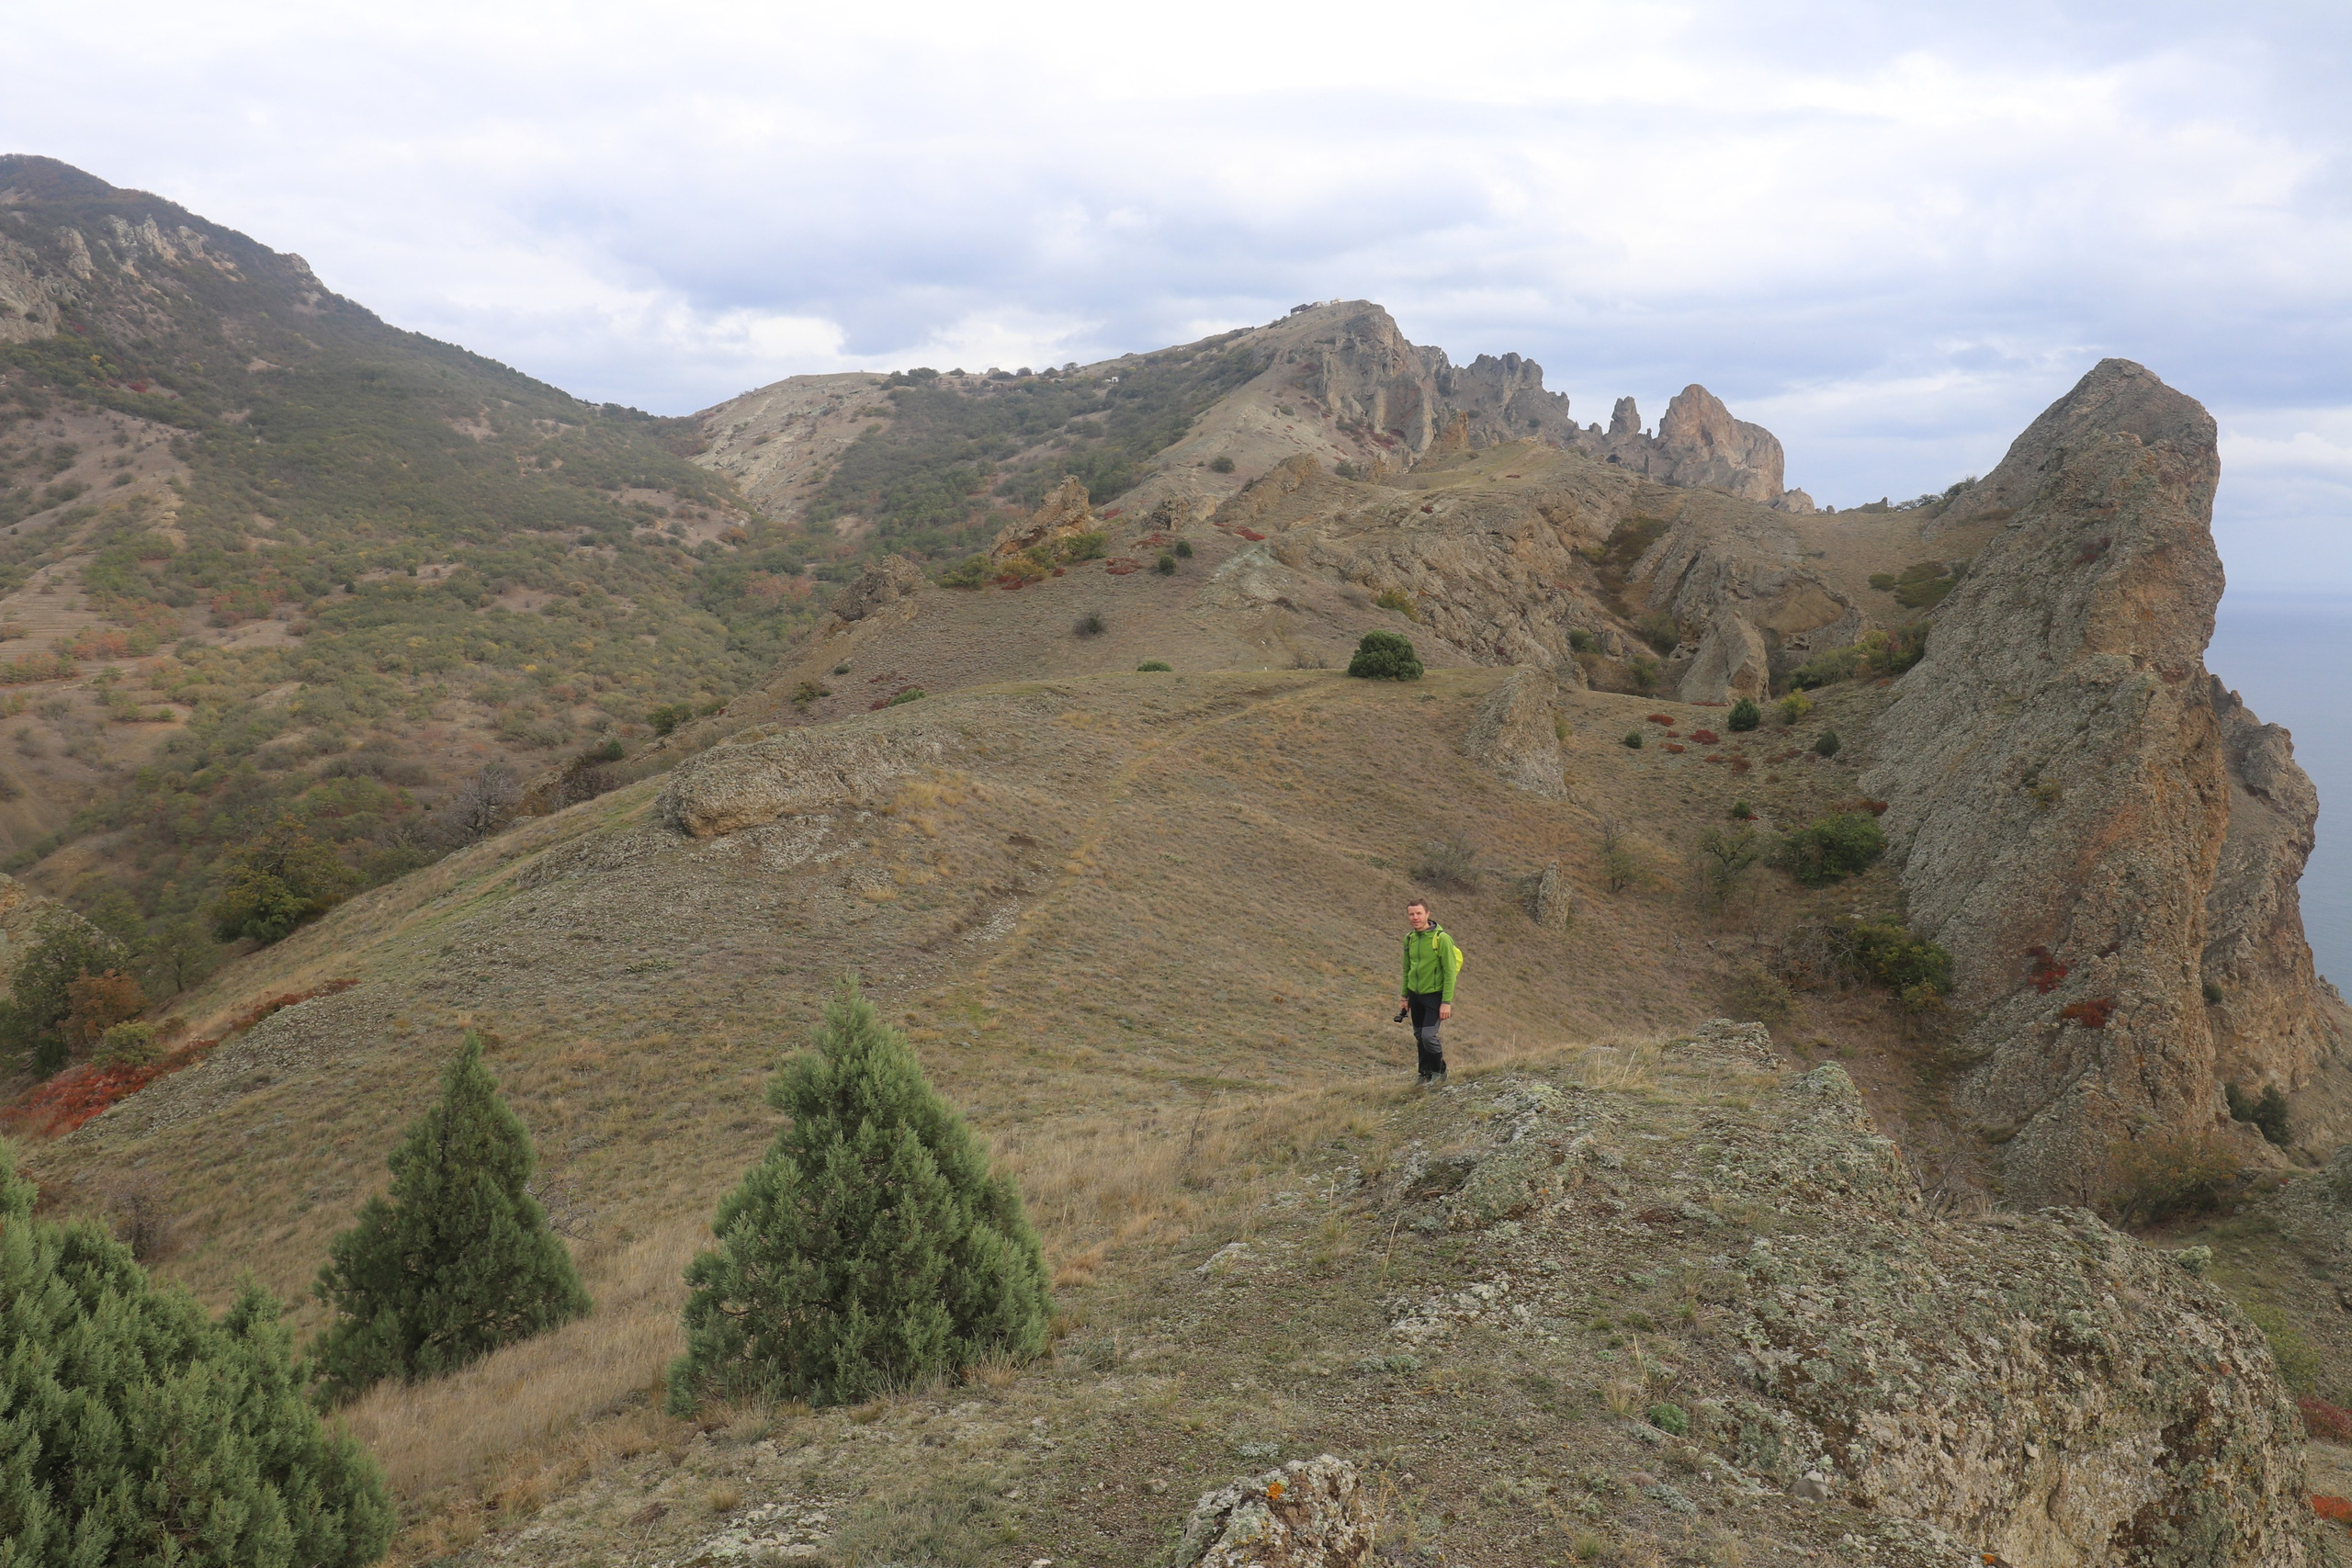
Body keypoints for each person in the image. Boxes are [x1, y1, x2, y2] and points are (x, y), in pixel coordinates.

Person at [1397, 899, 1459, 1086]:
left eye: (1419, 913)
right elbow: (1407, 968)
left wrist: (1446, 1001)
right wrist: (1404, 997)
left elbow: (1449, 973)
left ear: (1427, 914)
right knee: (1419, 1036)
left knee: (1428, 1036)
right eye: (1411, 914)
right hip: (1415, 995)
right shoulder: (1409, 938)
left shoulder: (1442, 939)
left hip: (1434, 996)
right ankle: (1424, 1073)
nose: (1415, 917)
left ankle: (1440, 1072)